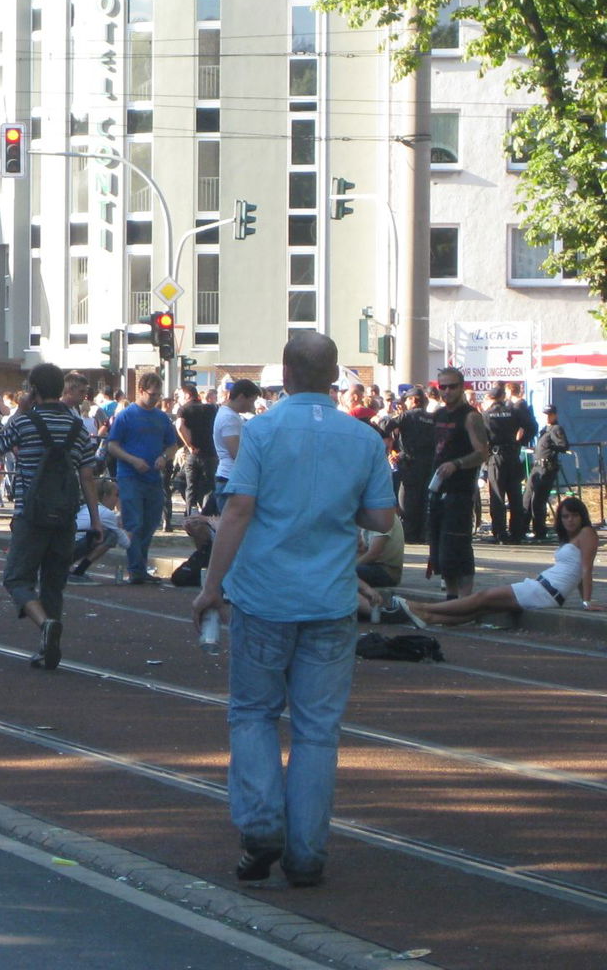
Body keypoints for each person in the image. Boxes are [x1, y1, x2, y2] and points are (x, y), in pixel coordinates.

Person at [191, 332, 395, 889]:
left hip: (264, 597)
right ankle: (307, 854)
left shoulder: (261, 431)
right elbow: (381, 518)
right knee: (317, 730)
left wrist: (213, 586)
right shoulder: (364, 438)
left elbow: (238, 510)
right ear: (333, 375)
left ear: (285, 373)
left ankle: (260, 824)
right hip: (330, 599)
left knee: (254, 713)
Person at [0, 362, 102, 670]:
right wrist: (95, 519)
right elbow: (88, 476)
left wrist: (20, 411)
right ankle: (48, 645)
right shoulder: (78, 428)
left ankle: (44, 626)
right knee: (54, 584)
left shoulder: (25, 423)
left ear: (34, 390)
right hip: (66, 514)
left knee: (16, 577)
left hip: (30, 513)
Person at [406, 496, 597, 625]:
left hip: (545, 591)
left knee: (483, 597)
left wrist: (587, 602)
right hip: (543, 588)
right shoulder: (571, 538)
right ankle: (429, 617)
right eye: (565, 516)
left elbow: (586, 569)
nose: (570, 520)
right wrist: (583, 599)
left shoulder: (587, 533)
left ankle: (423, 608)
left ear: (582, 516)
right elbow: (578, 573)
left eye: (574, 515)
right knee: (482, 608)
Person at [106, 372, 179, 584]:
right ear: (140, 391)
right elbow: (112, 445)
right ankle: (136, 569)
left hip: (153, 478)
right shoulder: (126, 415)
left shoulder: (161, 417)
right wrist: (132, 460)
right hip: (130, 477)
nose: (155, 399)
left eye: (158, 395)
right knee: (134, 522)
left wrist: (164, 457)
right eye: (152, 394)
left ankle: (141, 565)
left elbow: (172, 444)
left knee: (150, 523)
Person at [425, 368, 490, 598]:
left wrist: (458, 464)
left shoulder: (470, 416)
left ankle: (465, 600)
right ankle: (451, 599)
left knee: (458, 547)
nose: (447, 391)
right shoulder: (439, 415)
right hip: (438, 488)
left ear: (462, 387)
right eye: (443, 387)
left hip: (460, 491)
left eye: (452, 386)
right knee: (441, 550)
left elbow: (482, 452)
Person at [378, 389, 435, 543]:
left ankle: (410, 534)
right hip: (429, 463)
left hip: (410, 463)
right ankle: (423, 533)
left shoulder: (407, 416)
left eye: (407, 400)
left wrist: (395, 416)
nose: (405, 403)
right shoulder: (432, 418)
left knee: (407, 500)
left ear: (414, 400)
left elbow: (384, 425)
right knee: (424, 498)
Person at [481, 385, 530, 543]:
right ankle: (517, 532)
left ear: (491, 398)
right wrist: (520, 442)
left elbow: (482, 437)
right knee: (515, 495)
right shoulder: (514, 411)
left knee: (497, 496)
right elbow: (531, 427)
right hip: (513, 455)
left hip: (496, 457)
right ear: (503, 397)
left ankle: (500, 533)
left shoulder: (487, 415)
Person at [212, 380, 258, 516]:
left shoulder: (229, 415)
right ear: (241, 397)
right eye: (252, 400)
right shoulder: (229, 418)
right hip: (230, 479)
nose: (252, 405)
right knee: (232, 528)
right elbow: (236, 452)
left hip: (228, 477)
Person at [523, 404, 570, 539]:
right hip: (536, 467)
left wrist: (551, 447)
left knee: (538, 500)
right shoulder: (544, 429)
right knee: (527, 498)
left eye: (550, 414)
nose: (547, 417)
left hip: (546, 467)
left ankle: (539, 531)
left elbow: (564, 445)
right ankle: (523, 528)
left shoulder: (556, 429)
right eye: (545, 415)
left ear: (555, 415)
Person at [69, 476, 127, 580]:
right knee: (111, 536)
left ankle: (65, 568)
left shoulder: (84, 507)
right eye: (116, 495)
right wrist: (130, 530)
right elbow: (125, 543)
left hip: (63, 547)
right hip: (71, 548)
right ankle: (79, 571)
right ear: (105, 496)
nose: (117, 499)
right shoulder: (107, 513)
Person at [173, 385, 218, 517]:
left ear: (187, 395)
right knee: (208, 487)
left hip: (193, 454)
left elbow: (180, 425)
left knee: (190, 486)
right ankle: (206, 515)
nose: (179, 399)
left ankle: (190, 516)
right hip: (210, 453)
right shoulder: (211, 408)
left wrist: (189, 445)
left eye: (180, 396)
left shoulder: (184, 409)